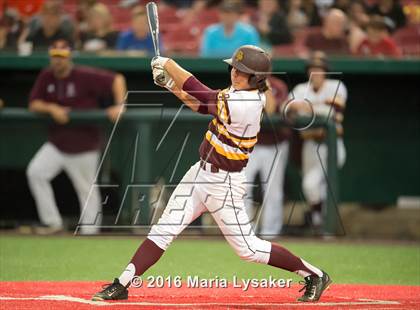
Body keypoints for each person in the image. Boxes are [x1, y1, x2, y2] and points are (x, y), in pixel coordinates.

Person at [92, 45, 331, 302]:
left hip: (224, 183)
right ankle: (122, 283)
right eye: (235, 69)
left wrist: (169, 64)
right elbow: (202, 106)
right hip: (199, 174)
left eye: (243, 71)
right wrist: (170, 85)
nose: (235, 74)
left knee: (248, 249)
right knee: (163, 230)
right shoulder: (237, 92)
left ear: (257, 78)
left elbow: (202, 93)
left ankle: (314, 274)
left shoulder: (248, 102)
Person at [26, 40, 127, 235]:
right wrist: (51, 108)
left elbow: (117, 79)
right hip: (57, 142)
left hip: (84, 143)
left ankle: (90, 232)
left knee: (87, 190)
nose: (58, 61)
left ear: (69, 57)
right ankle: (52, 223)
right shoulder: (46, 76)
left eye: (62, 57)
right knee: (36, 172)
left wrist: (120, 105)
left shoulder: (83, 75)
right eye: (55, 56)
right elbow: (33, 103)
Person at [288, 51, 346, 231]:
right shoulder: (300, 89)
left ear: (326, 71)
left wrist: (307, 107)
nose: (316, 72)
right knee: (315, 189)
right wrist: (314, 108)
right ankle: (320, 223)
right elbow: (287, 109)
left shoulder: (336, 85)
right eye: (313, 69)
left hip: (332, 146)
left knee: (311, 185)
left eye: (320, 69)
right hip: (309, 145)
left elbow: (336, 110)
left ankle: (319, 221)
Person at [245, 75, 290, 239]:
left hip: (274, 144)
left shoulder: (278, 85)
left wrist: (265, 86)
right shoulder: (243, 83)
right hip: (249, 144)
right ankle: (244, 231)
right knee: (242, 187)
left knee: (272, 190)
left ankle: (271, 232)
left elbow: (270, 110)